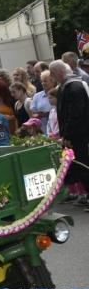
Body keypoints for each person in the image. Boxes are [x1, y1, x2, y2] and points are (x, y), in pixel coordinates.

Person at [50, 59, 89, 202]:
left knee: (83, 166)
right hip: (74, 135)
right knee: (78, 168)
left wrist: (67, 135)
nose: (52, 77)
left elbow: (75, 114)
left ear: (59, 72)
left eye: (53, 74)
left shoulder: (74, 87)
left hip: (79, 135)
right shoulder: (66, 86)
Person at [30, 69, 54, 134]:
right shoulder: (37, 96)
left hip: (55, 129)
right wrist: (39, 115)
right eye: (42, 81)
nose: (43, 83)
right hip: (42, 129)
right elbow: (33, 114)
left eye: (45, 81)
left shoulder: (58, 94)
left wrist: (47, 114)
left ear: (52, 81)